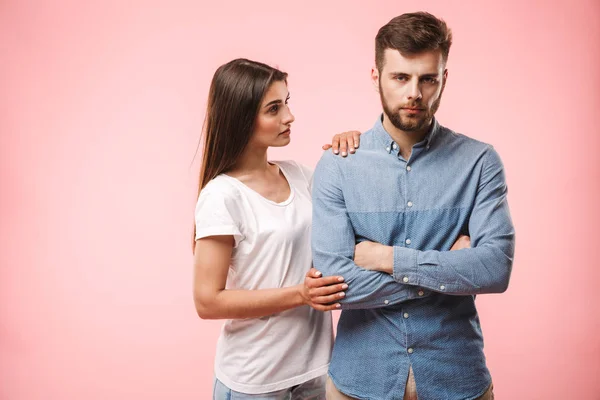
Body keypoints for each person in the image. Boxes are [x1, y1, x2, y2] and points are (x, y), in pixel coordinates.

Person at [311, 12, 515, 400]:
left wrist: (388, 258)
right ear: (376, 77)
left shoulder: (479, 161)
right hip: (358, 382)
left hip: (458, 379)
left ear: (444, 79)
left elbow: (494, 269)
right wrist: (446, 270)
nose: (414, 94)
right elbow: (335, 286)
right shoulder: (338, 166)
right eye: (401, 77)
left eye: (428, 78)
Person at [192, 58, 363, 400]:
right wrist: (301, 295)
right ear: (241, 119)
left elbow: (360, 226)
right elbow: (208, 301)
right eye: (274, 108)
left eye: (287, 102)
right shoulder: (222, 196)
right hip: (253, 382)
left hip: (316, 373)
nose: (289, 116)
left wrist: (354, 155)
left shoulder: (301, 175)